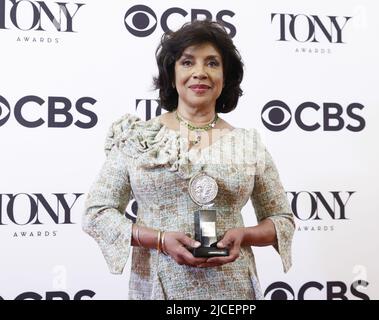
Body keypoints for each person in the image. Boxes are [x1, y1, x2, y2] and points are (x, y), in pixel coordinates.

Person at [82, 19, 295, 300]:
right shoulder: (137, 138)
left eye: (212, 63)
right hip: (159, 286)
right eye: (187, 62)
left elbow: (281, 219)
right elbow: (96, 213)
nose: (200, 72)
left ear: (225, 76)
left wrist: (244, 234)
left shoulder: (248, 143)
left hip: (232, 290)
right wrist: (159, 240)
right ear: (171, 75)